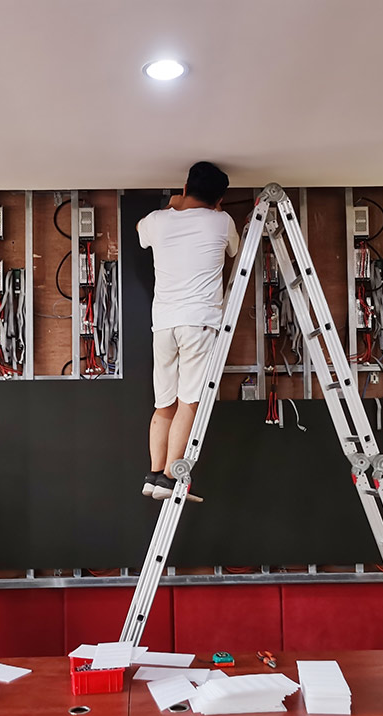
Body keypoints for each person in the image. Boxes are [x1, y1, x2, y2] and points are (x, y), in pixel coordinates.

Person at [137, 161, 240, 501]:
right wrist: (215, 212)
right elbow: (235, 249)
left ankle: (153, 476)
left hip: (163, 323)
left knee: (163, 404)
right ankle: (169, 478)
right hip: (198, 322)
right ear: (219, 199)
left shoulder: (158, 220)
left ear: (184, 188)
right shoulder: (221, 221)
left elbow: (140, 231)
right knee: (189, 403)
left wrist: (172, 206)